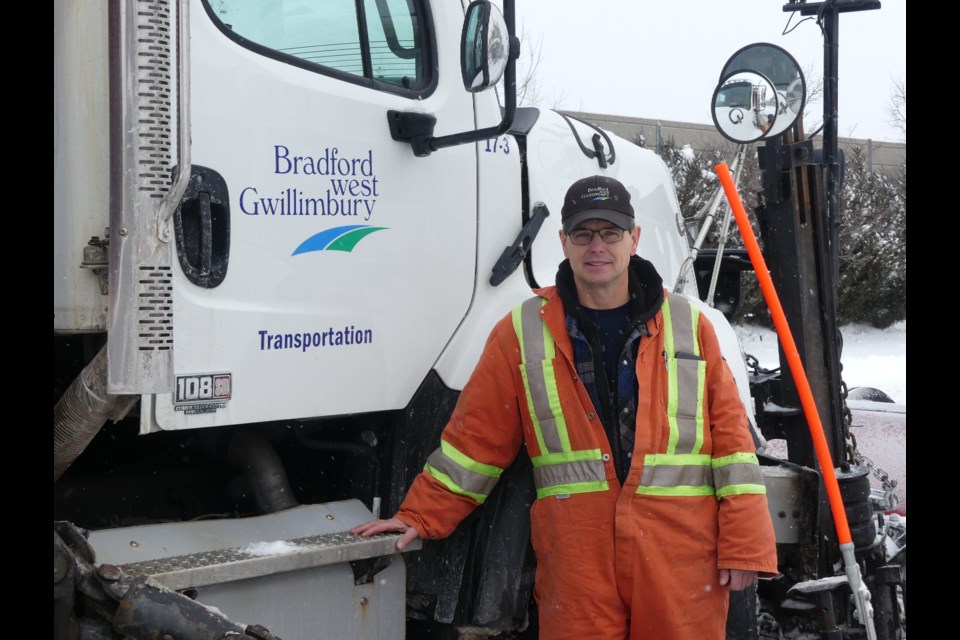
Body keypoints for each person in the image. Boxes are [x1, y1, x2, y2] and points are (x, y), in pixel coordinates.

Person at [352, 175, 778, 640]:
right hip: (578, 561)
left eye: (610, 232)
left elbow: (734, 446)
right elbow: (475, 441)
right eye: (583, 233)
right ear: (563, 241)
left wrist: (746, 545)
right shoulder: (522, 331)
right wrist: (419, 515)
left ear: (634, 239)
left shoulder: (691, 325)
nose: (597, 246)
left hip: (680, 556)